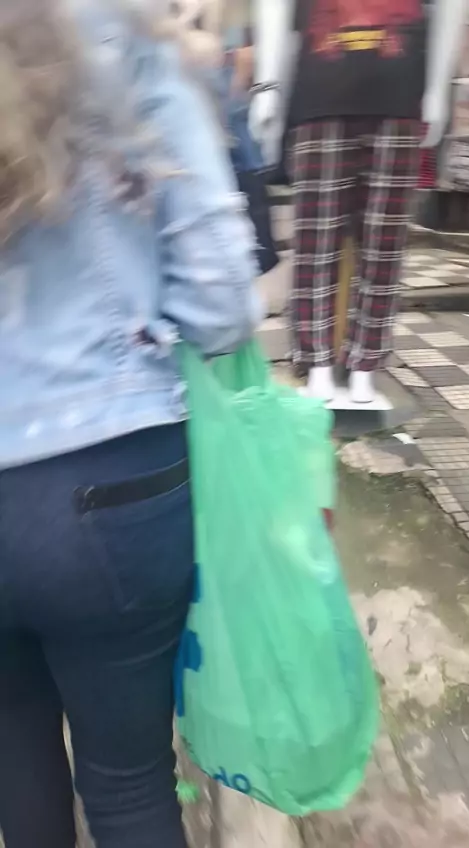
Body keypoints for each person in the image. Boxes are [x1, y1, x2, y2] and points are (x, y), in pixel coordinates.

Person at [0, 1, 259, 847]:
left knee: (15, 762)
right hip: (112, 478)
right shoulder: (123, 41)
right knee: (128, 783)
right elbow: (221, 301)